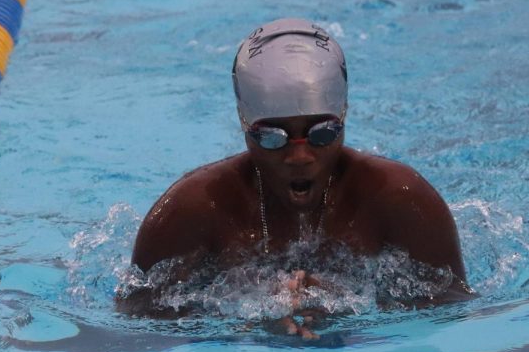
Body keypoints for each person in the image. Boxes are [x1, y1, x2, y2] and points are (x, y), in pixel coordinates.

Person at [119, 18, 470, 333]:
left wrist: (351, 314)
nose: (300, 156)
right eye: (273, 137)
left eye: (321, 133)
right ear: (245, 126)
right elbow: (136, 326)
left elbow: (454, 313)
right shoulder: (194, 210)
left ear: (343, 118)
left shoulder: (401, 200)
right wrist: (245, 323)